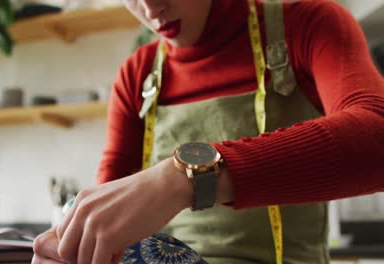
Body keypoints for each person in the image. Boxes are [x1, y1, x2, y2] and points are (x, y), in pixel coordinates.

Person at [32, 0, 384, 263]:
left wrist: (186, 178)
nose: (152, 8)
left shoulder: (307, 26)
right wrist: (68, 248)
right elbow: (104, 227)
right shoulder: (137, 76)